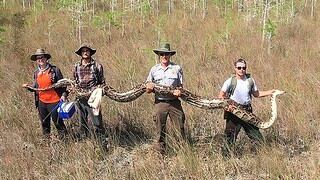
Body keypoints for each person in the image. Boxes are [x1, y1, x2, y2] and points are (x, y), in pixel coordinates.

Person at [218, 58, 276, 156]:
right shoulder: (229, 81)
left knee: (256, 136)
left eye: (244, 68)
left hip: (247, 112)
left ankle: (263, 155)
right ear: (235, 68)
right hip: (233, 112)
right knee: (230, 137)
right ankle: (226, 158)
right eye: (239, 68)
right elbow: (221, 96)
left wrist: (271, 92)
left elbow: (256, 94)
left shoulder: (250, 80)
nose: (241, 70)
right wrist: (227, 106)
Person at [146, 43, 186, 154]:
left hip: (174, 103)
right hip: (160, 103)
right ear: (159, 55)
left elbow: (181, 87)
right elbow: (148, 86)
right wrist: (149, 87)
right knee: (160, 130)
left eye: (166, 54)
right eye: (162, 54)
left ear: (170, 55)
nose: (164, 56)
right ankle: (160, 154)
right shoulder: (154, 69)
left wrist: (179, 91)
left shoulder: (177, 68)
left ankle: (182, 154)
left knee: (180, 129)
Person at [22, 48, 67, 140]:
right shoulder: (36, 73)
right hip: (42, 102)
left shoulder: (54, 70)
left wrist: (63, 95)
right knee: (44, 123)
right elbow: (36, 87)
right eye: (38, 58)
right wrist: (29, 87)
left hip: (55, 101)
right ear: (36, 61)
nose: (40, 59)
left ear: (46, 58)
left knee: (58, 122)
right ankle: (47, 142)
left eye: (42, 57)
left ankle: (65, 142)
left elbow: (64, 85)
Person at [73, 43, 108, 149]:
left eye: (87, 50)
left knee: (97, 122)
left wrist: (97, 91)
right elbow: (75, 81)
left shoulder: (97, 66)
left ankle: (102, 145)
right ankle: (85, 145)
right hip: (80, 99)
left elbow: (102, 83)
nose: (85, 52)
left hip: (93, 99)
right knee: (82, 123)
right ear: (80, 53)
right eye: (83, 51)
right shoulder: (76, 66)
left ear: (90, 52)